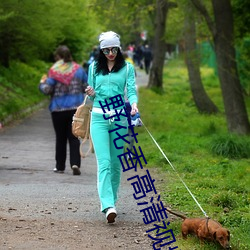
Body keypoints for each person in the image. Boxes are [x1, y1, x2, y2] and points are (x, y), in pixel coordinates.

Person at [85, 31, 138, 223]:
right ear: (101, 50)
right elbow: (91, 97)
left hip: (119, 119)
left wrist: (133, 104)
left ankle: (113, 201)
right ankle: (107, 205)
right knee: (104, 163)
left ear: (119, 48)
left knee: (116, 164)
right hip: (98, 118)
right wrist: (90, 92)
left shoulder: (127, 68)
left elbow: (131, 90)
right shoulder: (93, 68)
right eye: (106, 50)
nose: (110, 53)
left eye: (114, 49)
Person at [39, 45, 88, 175]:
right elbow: (86, 87)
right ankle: (75, 163)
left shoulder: (54, 71)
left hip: (58, 109)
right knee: (74, 137)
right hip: (75, 109)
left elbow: (47, 90)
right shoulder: (79, 70)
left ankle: (60, 166)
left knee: (60, 138)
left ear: (58, 57)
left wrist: (42, 83)